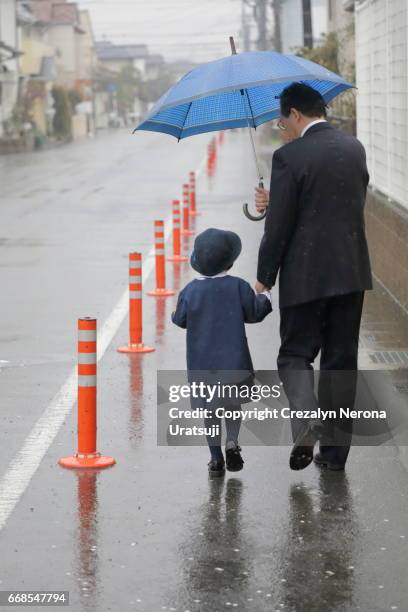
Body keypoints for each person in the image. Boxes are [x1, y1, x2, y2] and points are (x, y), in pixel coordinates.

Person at [254, 82, 373, 471]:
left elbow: (281, 226)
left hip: (305, 275)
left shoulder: (289, 156)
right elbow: (345, 197)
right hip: (351, 272)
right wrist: (281, 198)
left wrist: (265, 276)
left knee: (294, 355)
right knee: (340, 363)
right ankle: (334, 457)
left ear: (296, 115)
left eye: (282, 120)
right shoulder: (354, 148)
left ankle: (305, 418)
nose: (281, 128)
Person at [172, 228, 272, 476]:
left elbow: (180, 319)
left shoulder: (191, 291)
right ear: (231, 262)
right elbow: (255, 312)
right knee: (231, 404)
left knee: (210, 410)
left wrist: (175, 313)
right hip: (233, 360)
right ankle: (233, 441)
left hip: (202, 364)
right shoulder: (238, 287)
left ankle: (216, 459)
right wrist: (266, 295)